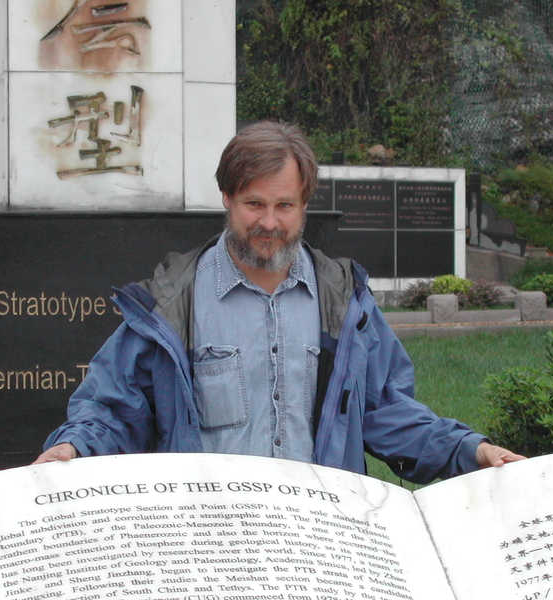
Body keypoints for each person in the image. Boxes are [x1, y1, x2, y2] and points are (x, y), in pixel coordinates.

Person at [33, 121, 524, 483]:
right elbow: (114, 409)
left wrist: (470, 449)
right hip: (210, 550)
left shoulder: (343, 303)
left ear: (304, 203)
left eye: (284, 205)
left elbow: (384, 410)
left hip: (318, 546)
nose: (269, 222)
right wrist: (72, 449)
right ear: (227, 198)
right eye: (255, 204)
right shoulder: (170, 305)